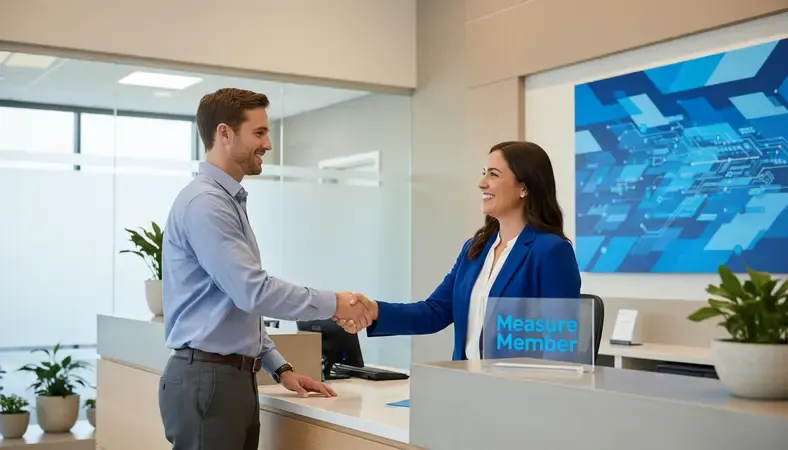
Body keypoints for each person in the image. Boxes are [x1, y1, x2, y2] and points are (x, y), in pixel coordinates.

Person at [158, 88, 373, 450]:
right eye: (259, 133)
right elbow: (253, 291)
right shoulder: (206, 204)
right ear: (224, 133)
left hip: (230, 380)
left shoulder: (226, 200)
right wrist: (334, 302)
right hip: (210, 382)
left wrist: (280, 368)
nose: (268, 144)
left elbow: (234, 306)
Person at [335, 141, 581, 361]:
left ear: (524, 188)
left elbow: (560, 344)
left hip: (519, 395)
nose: (481, 183)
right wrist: (373, 309)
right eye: (484, 173)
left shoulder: (551, 251)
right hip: (467, 389)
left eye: (493, 174)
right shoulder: (475, 249)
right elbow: (435, 312)